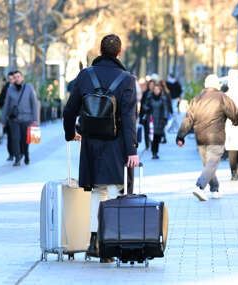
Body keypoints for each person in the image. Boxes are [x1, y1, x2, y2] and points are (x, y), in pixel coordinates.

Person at [62, 34, 139, 263]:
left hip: (91, 144)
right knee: (115, 191)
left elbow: (69, 111)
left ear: (100, 50)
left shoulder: (86, 75)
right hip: (115, 144)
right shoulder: (126, 79)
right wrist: (132, 150)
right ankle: (110, 244)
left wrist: (70, 134)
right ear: (119, 53)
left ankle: (94, 244)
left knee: (96, 192)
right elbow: (128, 118)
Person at [176, 75, 238, 201]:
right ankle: (200, 187)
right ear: (217, 85)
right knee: (211, 164)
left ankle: (214, 189)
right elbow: (234, 112)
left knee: (209, 165)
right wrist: (236, 121)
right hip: (216, 137)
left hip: (200, 137)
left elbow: (188, 119)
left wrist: (180, 136)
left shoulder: (196, 99)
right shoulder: (222, 97)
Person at [1, 71, 39, 166]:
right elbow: (6, 105)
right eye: (15, 77)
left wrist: (35, 119)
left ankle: (26, 154)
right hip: (14, 119)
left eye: (18, 76)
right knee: (15, 138)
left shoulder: (29, 87)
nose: (17, 78)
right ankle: (17, 159)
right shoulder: (10, 89)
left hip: (27, 119)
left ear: (22, 77)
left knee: (25, 140)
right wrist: (3, 120)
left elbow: (34, 104)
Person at [143, 83, 168, 159]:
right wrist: (148, 108)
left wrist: (165, 119)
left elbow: (165, 109)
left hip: (160, 120)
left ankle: (156, 151)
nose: (156, 91)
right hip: (151, 120)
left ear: (160, 90)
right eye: (155, 89)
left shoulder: (163, 98)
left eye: (158, 89)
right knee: (152, 136)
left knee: (157, 137)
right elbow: (144, 105)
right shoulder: (150, 97)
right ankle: (153, 152)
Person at [0, 71, 16, 161]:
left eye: (12, 79)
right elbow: (0, 100)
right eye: (9, 79)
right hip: (9, 116)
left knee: (17, 136)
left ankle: (19, 153)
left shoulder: (20, 87)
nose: (11, 81)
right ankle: (11, 154)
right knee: (10, 136)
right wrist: (5, 108)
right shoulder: (6, 88)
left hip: (19, 117)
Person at [140, 80, 155, 149]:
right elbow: (142, 105)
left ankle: (153, 144)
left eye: (153, 84)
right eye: (150, 84)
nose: (151, 86)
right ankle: (147, 145)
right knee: (146, 131)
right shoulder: (145, 93)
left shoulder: (156, 93)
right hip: (146, 114)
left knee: (153, 131)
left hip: (154, 115)